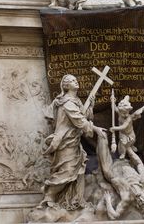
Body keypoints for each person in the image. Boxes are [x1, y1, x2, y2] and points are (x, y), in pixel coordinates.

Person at [38, 74, 106, 210]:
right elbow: (80, 121)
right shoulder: (67, 102)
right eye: (72, 81)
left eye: (76, 79)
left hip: (74, 141)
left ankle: (75, 200)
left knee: (78, 172)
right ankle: (49, 196)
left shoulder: (76, 101)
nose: (76, 81)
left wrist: (90, 107)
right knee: (67, 171)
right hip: (65, 141)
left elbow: (83, 117)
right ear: (66, 86)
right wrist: (96, 129)